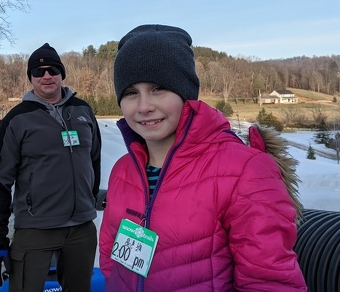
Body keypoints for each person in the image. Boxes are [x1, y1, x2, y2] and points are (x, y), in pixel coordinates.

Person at [99, 25, 307, 291]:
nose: (143, 106)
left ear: (185, 93)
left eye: (158, 88)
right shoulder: (123, 171)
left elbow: (269, 281)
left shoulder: (243, 170)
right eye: (130, 93)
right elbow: (111, 259)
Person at [0, 42, 101, 292]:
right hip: (36, 228)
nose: (46, 76)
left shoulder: (83, 111)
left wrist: (88, 201)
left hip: (81, 229)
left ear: (61, 74)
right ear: (31, 78)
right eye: (38, 72)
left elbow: (94, 162)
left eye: (52, 70)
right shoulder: (17, 119)